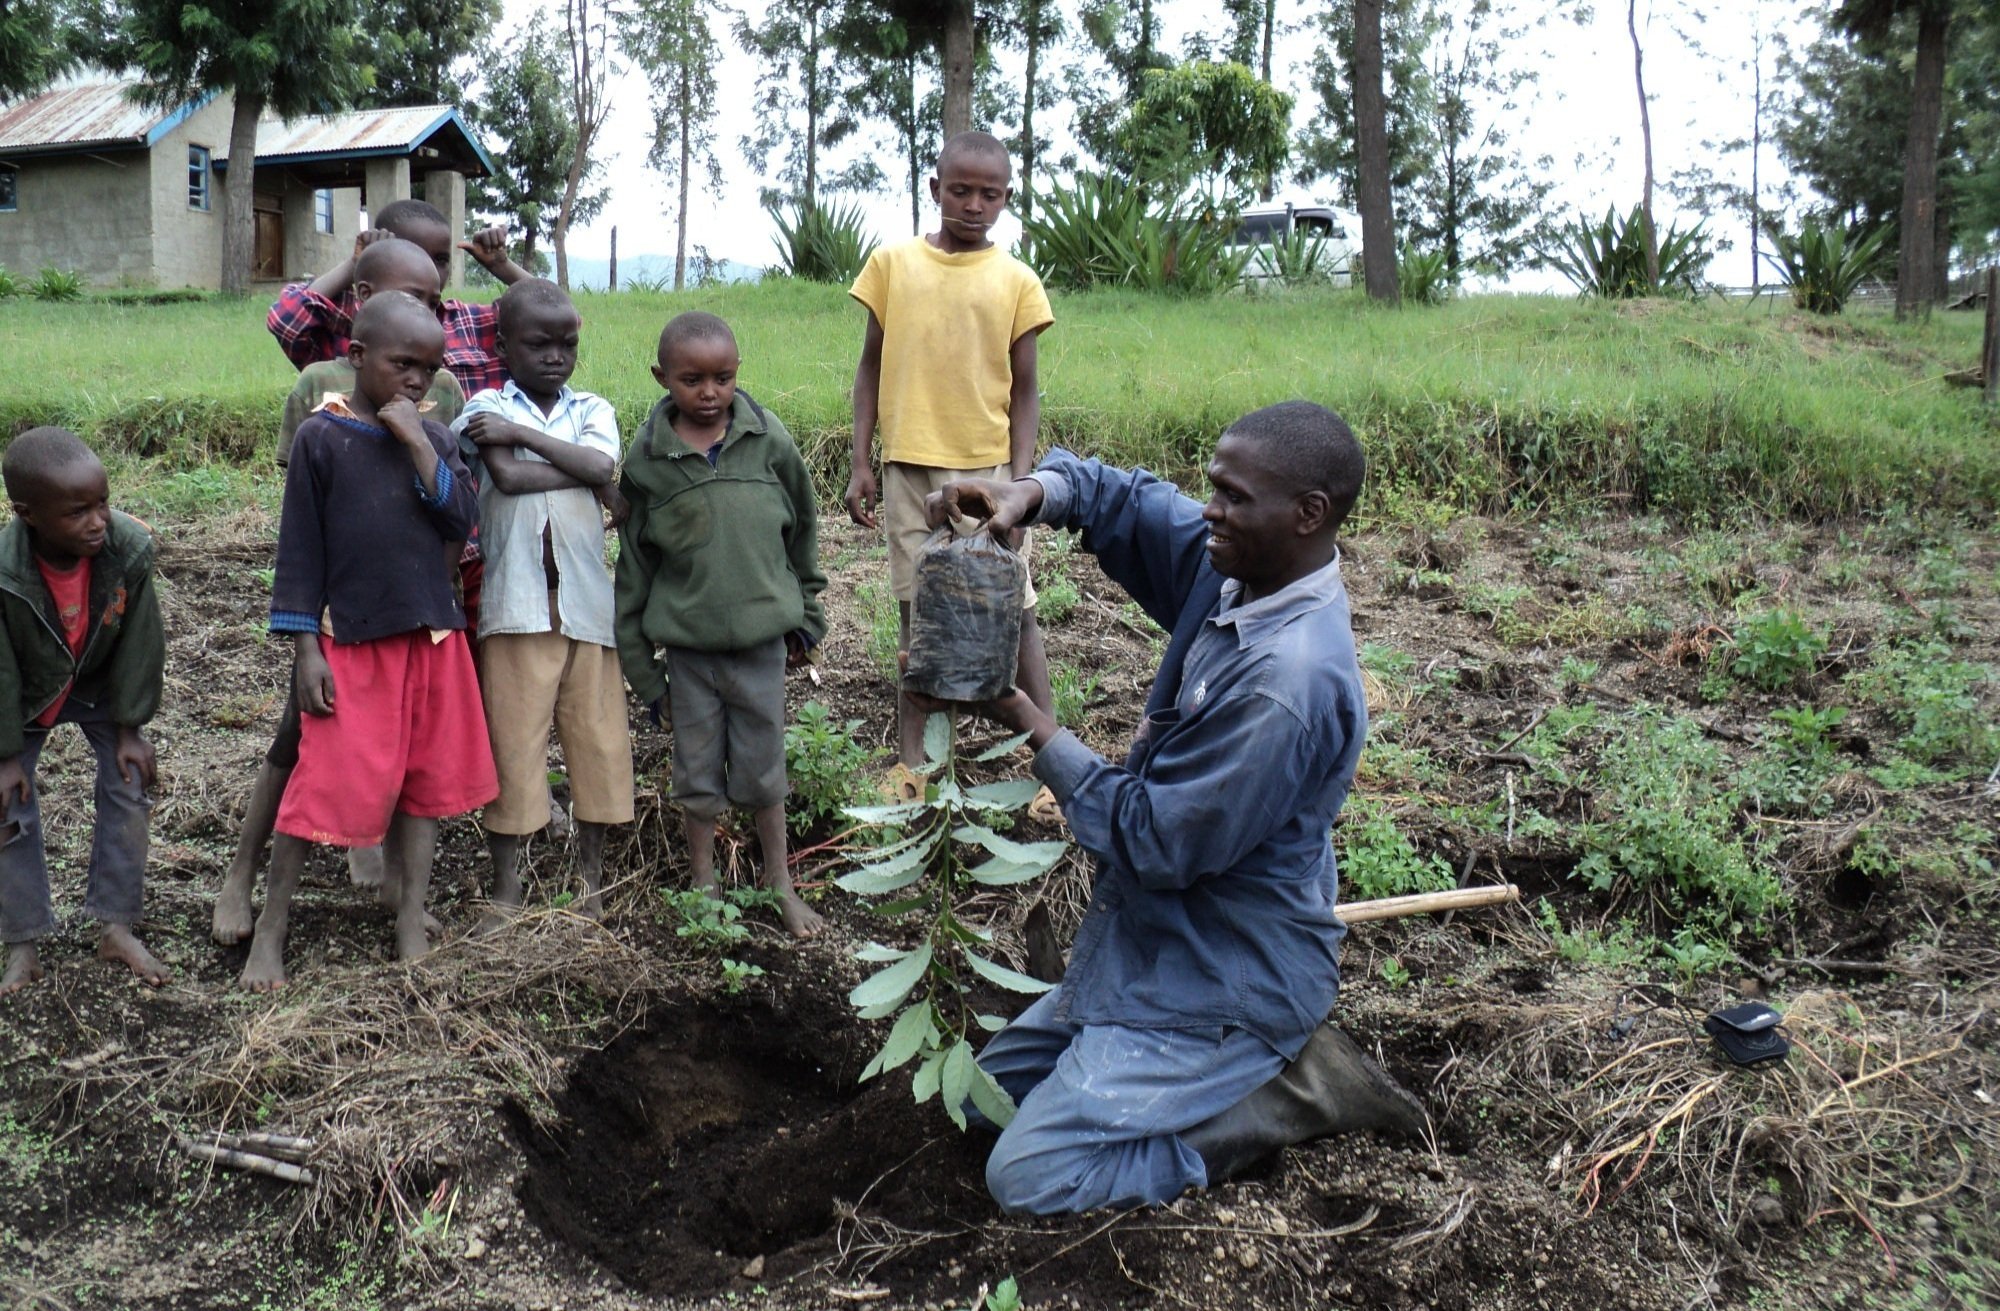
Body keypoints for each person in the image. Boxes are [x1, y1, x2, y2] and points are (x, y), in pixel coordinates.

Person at [920, 402, 1427, 1215]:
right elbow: (1117, 498)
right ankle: (1143, 1071)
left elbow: (1156, 840)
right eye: (1213, 488)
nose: (1210, 511)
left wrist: (1032, 725)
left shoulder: (1284, 684)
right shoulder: (1241, 569)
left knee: (1030, 1175)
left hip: (1224, 980)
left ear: (1307, 514)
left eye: (1232, 496)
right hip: (1151, 946)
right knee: (980, 1101)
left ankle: (1280, 1099)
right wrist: (1025, 493)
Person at [212, 238, 466, 947]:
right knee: (312, 774)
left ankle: (410, 916)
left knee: (418, 785)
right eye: (401, 365)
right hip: (345, 635)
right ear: (357, 353)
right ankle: (270, 922)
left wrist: (418, 442)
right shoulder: (324, 435)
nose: (417, 380)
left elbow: (459, 519)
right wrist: (305, 647)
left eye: (429, 366)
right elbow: (299, 548)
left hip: (425, 633)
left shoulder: (437, 434)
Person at [845, 130, 1056, 786]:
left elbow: (1025, 388)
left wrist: (1021, 483)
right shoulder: (893, 266)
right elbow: (870, 367)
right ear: (934, 190)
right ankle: (915, 764)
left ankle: (1052, 755)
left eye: (988, 194)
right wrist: (861, 461)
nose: (972, 205)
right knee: (918, 610)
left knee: (1011, 606)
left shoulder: (1017, 281)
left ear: (1006, 199)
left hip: (987, 473)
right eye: (959, 190)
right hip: (907, 465)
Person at [615, 312, 826, 938]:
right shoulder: (648, 462)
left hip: (762, 647)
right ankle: (703, 880)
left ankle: (779, 880)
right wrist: (647, 680)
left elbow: (804, 530)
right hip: (688, 656)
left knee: (765, 771)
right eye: (691, 380)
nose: (709, 393)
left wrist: (805, 614)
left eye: (724, 378)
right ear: (661, 378)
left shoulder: (769, 441)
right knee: (697, 774)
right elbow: (634, 573)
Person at [453, 280, 633, 925]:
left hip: (587, 606)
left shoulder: (593, 406)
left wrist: (568, 459)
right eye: (538, 343)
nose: (555, 356)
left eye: (568, 344)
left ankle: (592, 883)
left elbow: (601, 466)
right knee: (515, 747)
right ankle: (507, 891)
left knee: (599, 744)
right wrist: (587, 472)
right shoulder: (483, 405)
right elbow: (506, 475)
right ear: (503, 345)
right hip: (517, 605)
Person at [0, 428, 166, 995]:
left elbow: (143, 643)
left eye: (103, 503)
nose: (97, 521)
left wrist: (130, 728)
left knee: (128, 783)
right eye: (77, 512)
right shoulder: (3, 571)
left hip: (97, 681)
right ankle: (22, 941)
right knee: (6, 805)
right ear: (27, 514)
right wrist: (5, 756)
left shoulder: (129, 549)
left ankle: (115, 926)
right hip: (26, 692)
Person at [266, 198, 527, 395]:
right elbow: (286, 320)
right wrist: (356, 263)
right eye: (413, 254)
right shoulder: (353, 327)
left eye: (441, 259)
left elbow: (556, 325)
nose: (428, 269)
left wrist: (502, 266)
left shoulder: (468, 324)